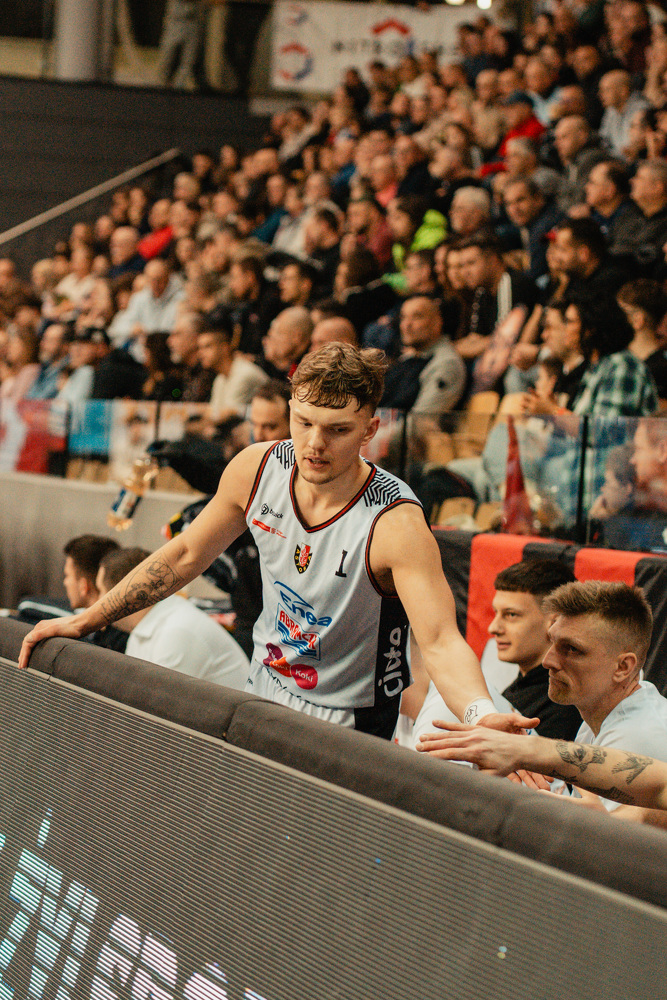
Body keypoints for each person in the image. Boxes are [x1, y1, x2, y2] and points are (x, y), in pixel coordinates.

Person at [20, 343, 536, 742]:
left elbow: (441, 640)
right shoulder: (257, 467)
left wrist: (481, 714)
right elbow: (183, 555)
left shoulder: (395, 521)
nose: (314, 444)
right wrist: (88, 618)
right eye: (303, 422)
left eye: (337, 430)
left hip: (349, 716)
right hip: (264, 685)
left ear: (369, 429)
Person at [421, 580, 667, 817]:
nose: (548, 661)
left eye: (572, 649)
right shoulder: (613, 707)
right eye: (552, 641)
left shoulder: (636, 737)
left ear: (623, 667)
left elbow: (606, 841)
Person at [415, 726, 667, 814]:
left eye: (572, 649)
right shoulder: (595, 725)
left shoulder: (636, 731)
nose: (549, 661)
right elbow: (652, 810)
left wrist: (526, 750)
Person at [96, 548, 249, 690]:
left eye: (100, 591)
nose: (97, 602)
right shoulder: (144, 629)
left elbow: (154, 704)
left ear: (123, 594)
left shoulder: (176, 631)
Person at [488, 560, 582, 739]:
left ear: (554, 622)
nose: (493, 628)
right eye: (495, 613)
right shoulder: (522, 689)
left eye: (511, 615)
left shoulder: (565, 705)